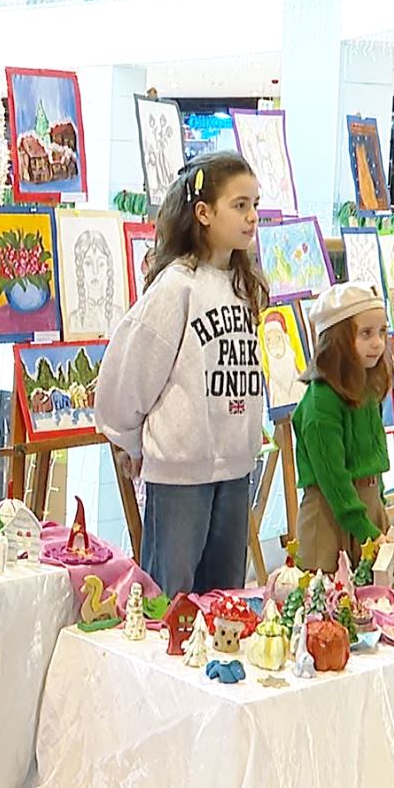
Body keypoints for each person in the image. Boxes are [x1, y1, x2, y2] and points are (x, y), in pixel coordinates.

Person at [96, 151, 264, 596]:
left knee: (224, 602)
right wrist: (131, 442)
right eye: (240, 205)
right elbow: (129, 371)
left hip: (235, 469)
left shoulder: (242, 286)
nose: (252, 216)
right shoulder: (176, 286)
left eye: (255, 204)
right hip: (180, 475)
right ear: (203, 213)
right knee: (169, 602)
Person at [290, 283, 392, 573]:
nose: (378, 343)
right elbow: (333, 478)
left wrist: (378, 506)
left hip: (365, 512)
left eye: (382, 332)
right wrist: (366, 530)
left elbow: (373, 459)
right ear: (337, 340)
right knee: (329, 593)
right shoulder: (321, 401)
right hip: (330, 517)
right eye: (366, 333)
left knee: (376, 595)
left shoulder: (366, 388)